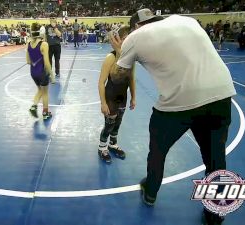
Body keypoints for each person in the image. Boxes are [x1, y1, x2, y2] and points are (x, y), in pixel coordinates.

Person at [110, 9, 236, 225]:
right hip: (221, 94)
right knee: (215, 155)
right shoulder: (187, 20)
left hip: (177, 103)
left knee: (157, 151)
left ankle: (150, 192)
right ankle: (215, 214)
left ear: (136, 27)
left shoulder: (135, 37)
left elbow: (117, 77)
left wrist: (120, 51)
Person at [97, 26, 135, 163]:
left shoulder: (131, 58)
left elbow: (131, 78)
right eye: (124, 39)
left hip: (122, 97)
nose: (127, 42)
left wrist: (134, 98)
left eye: (129, 39)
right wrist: (103, 102)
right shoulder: (110, 57)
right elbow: (101, 82)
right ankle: (102, 147)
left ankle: (113, 144)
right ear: (118, 39)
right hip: (111, 97)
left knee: (118, 123)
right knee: (109, 124)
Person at [26, 23, 56, 120]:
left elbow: (28, 61)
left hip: (33, 72)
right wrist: (52, 75)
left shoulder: (29, 43)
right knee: (45, 92)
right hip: (42, 72)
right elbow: (47, 63)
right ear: (42, 32)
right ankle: (45, 113)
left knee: (40, 90)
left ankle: (34, 106)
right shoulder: (44, 44)